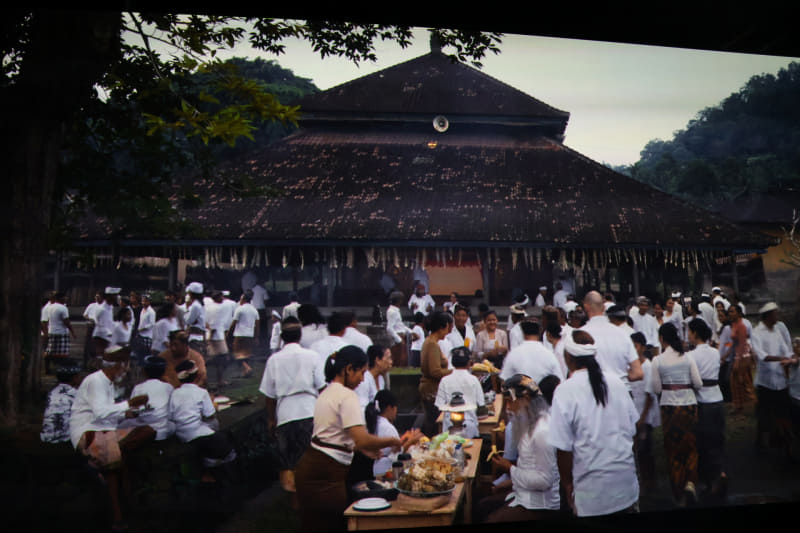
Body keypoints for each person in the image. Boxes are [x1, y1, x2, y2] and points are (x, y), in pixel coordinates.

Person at [294, 346, 407, 533]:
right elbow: (361, 438)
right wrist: (393, 441)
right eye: (361, 372)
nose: (363, 379)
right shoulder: (347, 396)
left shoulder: (327, 392)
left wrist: (361, 449)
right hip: (325, 474)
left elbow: (334, 437)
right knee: (332, 523)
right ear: (348, 369)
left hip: (311, 469)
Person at [548, 330, 640, 517]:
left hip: (592, 493)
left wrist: (567, 485)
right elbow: (633, 431)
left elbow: (562, 449)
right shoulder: (616, 382)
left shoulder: (565, 391)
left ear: (568, 357)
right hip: (626, 486)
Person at [69, 345, 154, 531]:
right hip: (87, 430)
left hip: (105, 428)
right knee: (113, 468)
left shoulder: (108, 383)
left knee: (148, 430)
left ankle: (113, 457)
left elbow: (108, 413)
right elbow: (100, 414)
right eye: (126, 365)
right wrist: (128, 404)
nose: (127, 370)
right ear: (117, 365)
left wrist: (128, 414)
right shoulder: (96, 381)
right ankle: (117, 516)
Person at [480, 374, 560, 522]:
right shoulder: (527, 424)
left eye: (511, 402)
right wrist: (508, 482)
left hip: (539, 505)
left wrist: (510, 469)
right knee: (483, 505)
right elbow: (529, 467)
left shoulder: (542, 431)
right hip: (522, 494)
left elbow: (544, 481)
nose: (508, 408)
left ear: (527, 399)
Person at [259, 317, 325, 493]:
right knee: (311, 459)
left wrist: (271, 419)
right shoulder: (312, 356)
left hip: (286, 415)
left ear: (282, 336)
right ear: (300, 335)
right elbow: (322, 387)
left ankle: (296, 502)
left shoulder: (274, 359)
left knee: (288, 464)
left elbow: (269, 395)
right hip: (310, 411)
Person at [650, 322, 703, 507]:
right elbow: (698, 383)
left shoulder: (657, 360)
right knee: (691, 446)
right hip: (689, 407)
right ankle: (691, 482)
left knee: (673, 451)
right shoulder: (687, 358)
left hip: (669, 409)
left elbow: (656, 388)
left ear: (662, 339)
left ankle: (678, 492)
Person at [170, 359, 236, 483]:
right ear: (197, 375)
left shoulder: (174, 393)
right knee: (225, 444)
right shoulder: (201, 392)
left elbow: (172, 415)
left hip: (181, 433)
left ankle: (208, 470)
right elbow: (210, 415)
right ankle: (211, 473)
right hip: (197, 434)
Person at [685, 318, 728, 499]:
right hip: (718, 400)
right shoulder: (715, 353)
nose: (688, 335)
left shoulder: (691, 356)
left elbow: (693, 381)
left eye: (689, 332)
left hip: (703, 402)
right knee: (717, 440)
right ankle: (718, 475)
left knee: (704, 443)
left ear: (695, 334)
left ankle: (714, 480)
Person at [750, 302, 793, 455]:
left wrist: (791, 358)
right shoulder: (757, 332)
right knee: (764, 413)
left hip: (780, 379)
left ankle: (784, 442)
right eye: (775, 314)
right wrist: (781, 358)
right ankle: (760, 440)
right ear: (768, 316)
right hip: (766, 381)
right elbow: (761, 356)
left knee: (783, 411)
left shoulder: (777, 331)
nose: (778, 317)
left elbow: (786, 349)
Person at [579, 291, 643, 391]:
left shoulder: (581, 335)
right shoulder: (622, 334)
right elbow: (638, 373)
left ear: (586, 307)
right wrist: (620, 377)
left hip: (596, 392)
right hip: (623, 390)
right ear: (604, 307)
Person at [118, 355, 175, 441]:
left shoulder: (138, 388)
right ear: (164, 372)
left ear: (144, 371)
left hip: (142, 429)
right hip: (162, 429)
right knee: (172, 424)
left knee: (125, 423)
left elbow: (133, 412)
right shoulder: (169, 387)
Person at [629, 332, 660, 493]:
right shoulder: (631, 366)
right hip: (634, 411)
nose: (633, 349)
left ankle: (650, 481)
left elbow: (649, 396)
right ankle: (641, 480)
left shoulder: (647, 366)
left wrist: (642, 419)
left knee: (645, 449)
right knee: (636, 450)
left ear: (642, 346)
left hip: (645, 415)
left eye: (635, 346)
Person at [435, 346, 485, 438]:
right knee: (463, 447)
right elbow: (481, 403)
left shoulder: (444, 380)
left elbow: (439, 405)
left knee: (455, 448)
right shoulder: (473, 380)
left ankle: (458, 447)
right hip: (469, 425)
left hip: (449, 427)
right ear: (469, 363)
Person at [419, 311, 454, 437]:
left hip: (430, 388)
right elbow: (435, 371)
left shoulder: (430, 342)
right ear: (442, 327)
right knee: (432, 424)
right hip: (431, 389)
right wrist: (454, 372)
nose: (448, 331)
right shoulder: (432, 344)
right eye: (447, 328)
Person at [500, 320, 564, 384]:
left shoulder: (514, 354)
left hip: (521, 392)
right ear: (540, 331)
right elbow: (560, 381)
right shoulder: (549, 354)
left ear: (522, 332)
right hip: (544, 393)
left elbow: (504, 379)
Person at [41, 364, 83, 444]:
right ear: (74, 378)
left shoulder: (52, 393)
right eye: (79, 376)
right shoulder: (75, 394)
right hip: (65, 440)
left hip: (46, 437)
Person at [728, 304, 756, 414]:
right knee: (734, 382)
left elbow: (742, 343)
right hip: (736, 354)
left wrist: (738, 360)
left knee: (745, 381)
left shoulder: (742, 326)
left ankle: (753, 403)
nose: (730, 314)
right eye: (729, 311)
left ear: (739, 313)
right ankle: (738, 405)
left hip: (743, 356)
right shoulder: (734, 324)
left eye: (732, 312)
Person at [227, 289, 260, 378]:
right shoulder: (254, 310)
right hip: (250, 335)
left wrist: (229, 334)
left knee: (236, 353)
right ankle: (245, 372)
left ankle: (247, 368)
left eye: (241, 299)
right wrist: (256, 337)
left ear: (244, 299)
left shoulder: (240, 309)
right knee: (246, 354)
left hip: (240, 334)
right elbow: (257, 325)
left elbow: (234, 323)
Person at [43, 291, 77, 371]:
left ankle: (47, 368)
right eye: (65, 297)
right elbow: (66, 322)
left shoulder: (50, 307)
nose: (66, 299)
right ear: (61, 298)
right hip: (61, 333)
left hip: (51, 331)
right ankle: (61, 369)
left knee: (49, 352)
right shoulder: (63, 308)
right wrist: (72, 332)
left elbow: (46, 321)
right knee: (62, 354)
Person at [205, 291, 231, 390]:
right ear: (218, 297)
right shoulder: (218, 308)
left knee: (212, 359)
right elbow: (214, 324)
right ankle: (219, 380)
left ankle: (214, 380)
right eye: (221, 296)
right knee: (222, 358)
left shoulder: (208, 307)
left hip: (213, 335)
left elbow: (207, 322)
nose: (223, 298)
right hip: (217, 336)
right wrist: (212, 335)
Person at [310, 311, 349, 376]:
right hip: (338, 384)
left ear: (327, 328)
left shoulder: (314, 346)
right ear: (344, 330)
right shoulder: (348, 348)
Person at [354, 344, 393, 410]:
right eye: (388, 358)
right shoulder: (364, 380)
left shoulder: (380, 379)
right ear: (377, 360)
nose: (391, 362)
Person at [92, 287, 121, 366]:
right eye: (114, 295)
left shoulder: (110, 307)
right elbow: (101, 325)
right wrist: (110, 334)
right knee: (101, 357)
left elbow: (109, 322)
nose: (117, 297)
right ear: (109, 297)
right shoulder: (102, 309)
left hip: (107, 335)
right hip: (101, 336)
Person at [386, 291, 413, 367]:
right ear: (398, 301)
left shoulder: (395, 311)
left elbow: (400, 325)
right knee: (399, 360)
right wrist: (399, 340)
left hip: (401, 336)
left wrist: (411, 332)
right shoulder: (392, 312)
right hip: (398, 338)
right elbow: (389, 328)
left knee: (403, 360)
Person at [184, 282, 207, 360]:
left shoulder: (195, 306)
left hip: (194, 336)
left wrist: (186, 311)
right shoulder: (199, 304)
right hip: (199, 336)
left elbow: (188, 321)